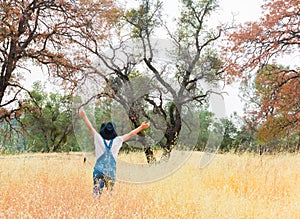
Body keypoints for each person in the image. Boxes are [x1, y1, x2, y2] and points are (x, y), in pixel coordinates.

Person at [79, 109, 150, 197]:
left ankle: (96, 206)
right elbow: (131, 134)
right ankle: (109, 207)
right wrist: (141, 127)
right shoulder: (118, 140)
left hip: (98, 171)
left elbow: (90, 128)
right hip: (110, 171)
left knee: (97, 192)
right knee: (110, 193)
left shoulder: (98, 138)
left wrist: (84, 116)